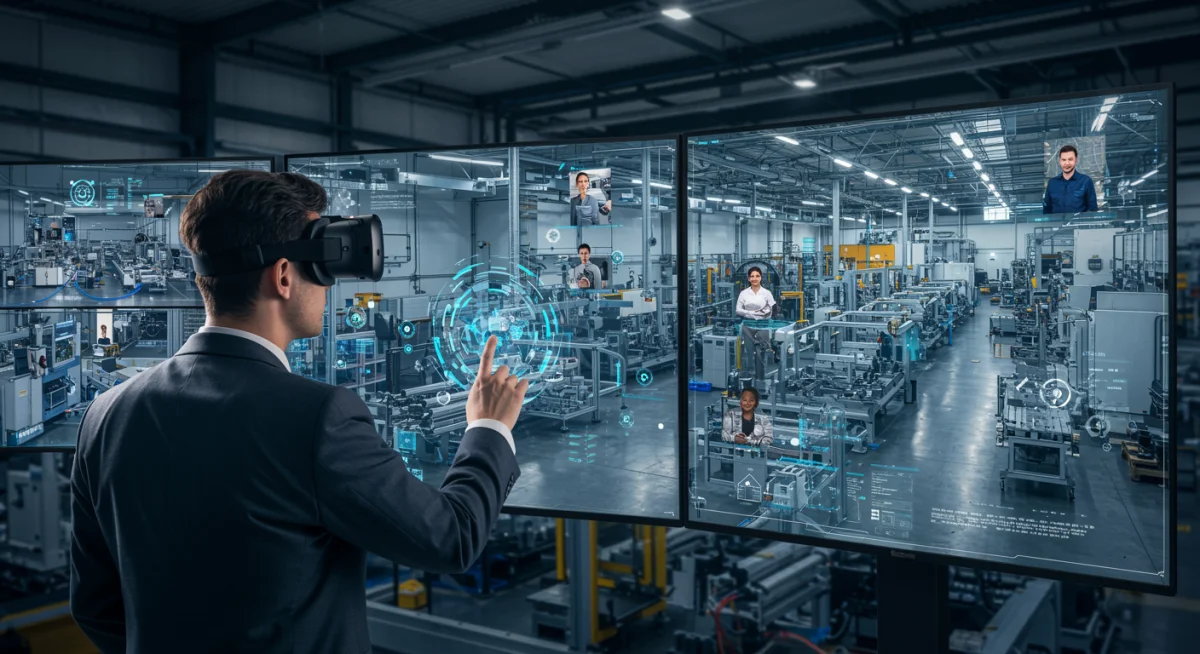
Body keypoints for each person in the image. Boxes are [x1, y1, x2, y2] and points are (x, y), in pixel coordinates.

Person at [69, 170, 528, 654]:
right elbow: (450, 536)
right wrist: (489, 426)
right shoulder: (317, 418)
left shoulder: (105, 414)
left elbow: (96, 607)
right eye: (323, 267)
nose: (328, 288)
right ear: (284, 276)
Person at [736, 266, 778, 378]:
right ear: (748, 279)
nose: (755, 278)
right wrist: (749, 314)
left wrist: (766, 314)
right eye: (752, 276)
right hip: (748, 325)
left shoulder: (766, 293)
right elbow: (738, 310)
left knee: (761, 351)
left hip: (763, 325)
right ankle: (749, 376)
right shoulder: (744, 293)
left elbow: (774, 308)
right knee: (749, 352)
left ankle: (761, 377)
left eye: (757, 276)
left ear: (761, 278)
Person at [1043, 145, 1098, 214]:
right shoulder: (1052, 183)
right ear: (1059, 161)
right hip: (1056, 224)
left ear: (1076, 160)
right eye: (1063, 160)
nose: (1067, 163)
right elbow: (1046, 210)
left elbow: (1092, 210)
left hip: (1079, 224)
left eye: (1070, 159)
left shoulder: (1086, 181)